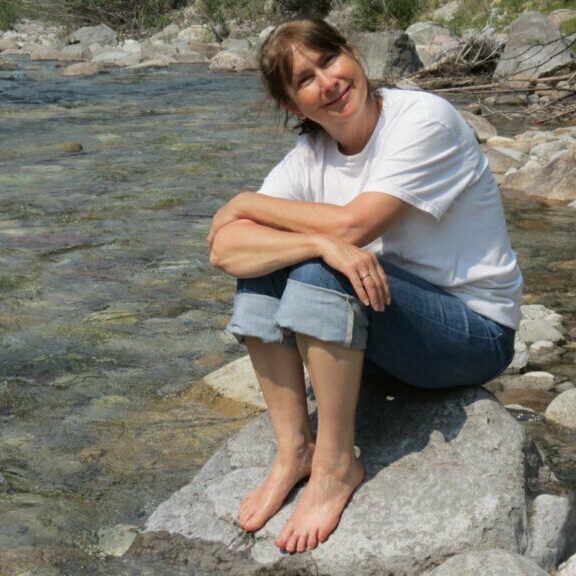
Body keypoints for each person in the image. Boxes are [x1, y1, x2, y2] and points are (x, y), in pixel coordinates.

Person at [208, 18, 522, 554]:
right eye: (305, 80)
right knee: (274, 265)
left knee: (320, 268)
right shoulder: (307, 160)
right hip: (383, 325)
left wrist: (243, 203)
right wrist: (313, 242)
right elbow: (224, 251)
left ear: (351, 53)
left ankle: (335, 468)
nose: (327, 83)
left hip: (471, 334)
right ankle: (294, 452)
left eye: (328, 61)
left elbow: (354, 226)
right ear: (293, 106)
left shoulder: (423, 119)